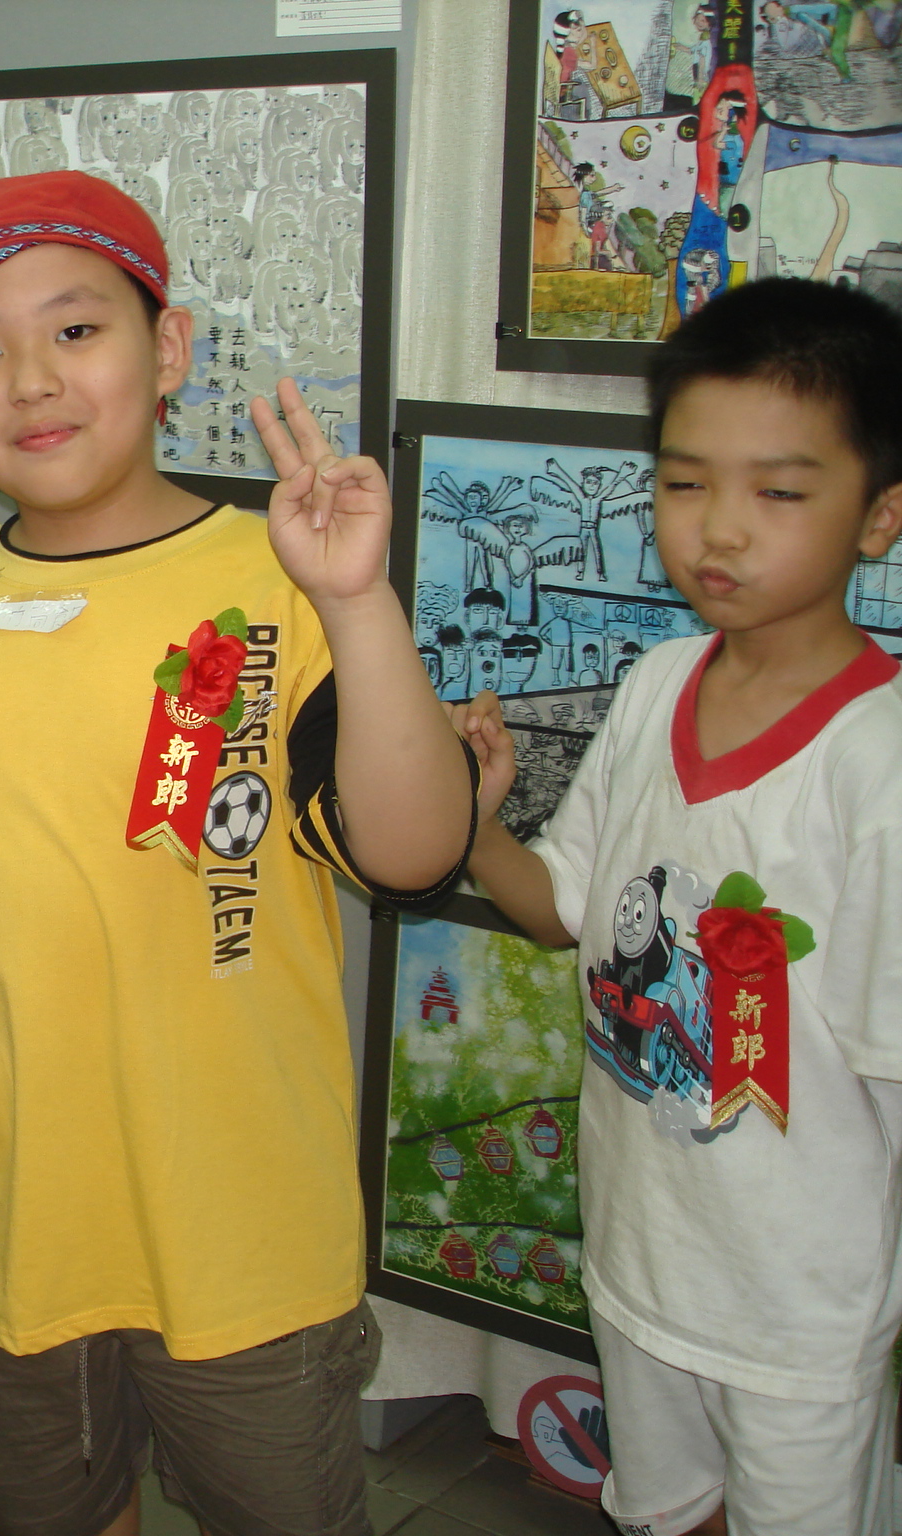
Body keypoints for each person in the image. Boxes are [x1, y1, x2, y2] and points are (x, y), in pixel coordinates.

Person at [0, 169, 475, 1536]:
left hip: (238, 1220)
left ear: (166, 350)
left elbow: (413, 854)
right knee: (55, 1507)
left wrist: (357, 605)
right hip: (19, 1209)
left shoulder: (275, 583)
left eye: (76, 330)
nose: (31, 381)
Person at [452, 277, 902, 1536]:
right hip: (643, 1269)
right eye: (684, 481)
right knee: (662, 1512)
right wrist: (475, 822)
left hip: (798, 1323)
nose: (719, 530)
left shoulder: (875, 767)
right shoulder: (655, 685)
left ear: (878, 514)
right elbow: (563, 907)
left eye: (779, 492)